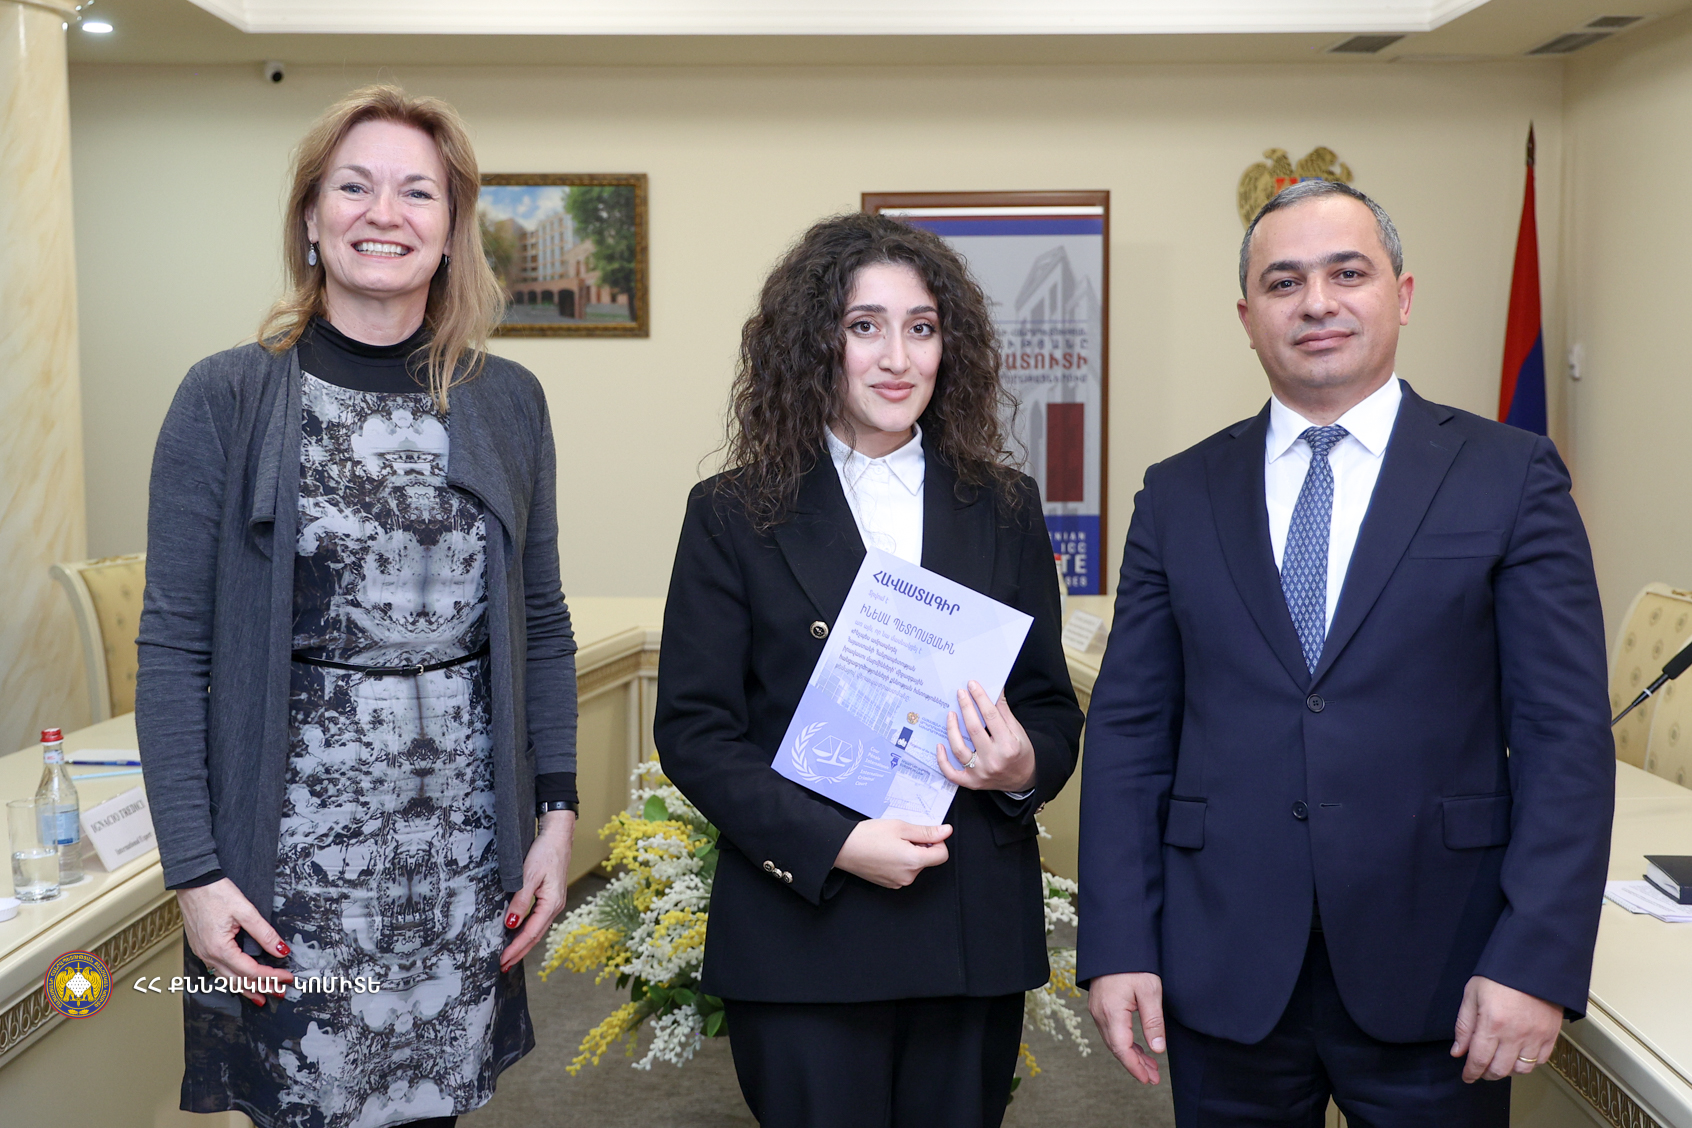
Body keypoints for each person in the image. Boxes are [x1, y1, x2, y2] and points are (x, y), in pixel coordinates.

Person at [1078, 179, 1614, 1126]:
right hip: (1225, 965)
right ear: (1248, 317)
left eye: (1347, 273)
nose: (1316, 302)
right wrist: (1119, 941)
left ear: (1401, 296)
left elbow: (1564, 739)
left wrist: (1536, 959)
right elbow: (1129, 736)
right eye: (1284, 282)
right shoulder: (1177, 494)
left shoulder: (1510, 476)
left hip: (1444, 969)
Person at [136, 85, 578, 1128]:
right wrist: (195, 873)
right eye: (354, 187)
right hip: (295, 858)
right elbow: (174, 650)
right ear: (310, 216)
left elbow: (543, 625)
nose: (385, 214)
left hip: (463, 852)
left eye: (418, 192)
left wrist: (556, 820)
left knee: (435, 1109)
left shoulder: (507, 399)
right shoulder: (225, 397)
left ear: (452, 229)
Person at [655, 212, 1084, 1128]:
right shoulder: (733, 511)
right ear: (815, 344)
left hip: (968, 920)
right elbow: (695, 732)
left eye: (921, 328)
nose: (898, 358)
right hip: (804, 926)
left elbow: (1051, 709)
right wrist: (837, 845)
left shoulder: (1005, 505)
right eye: (864, 326)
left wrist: (1022, 766)